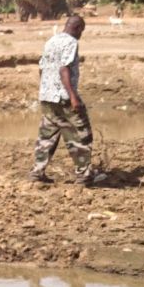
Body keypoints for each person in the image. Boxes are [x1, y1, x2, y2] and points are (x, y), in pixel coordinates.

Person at [28, 15, 104, 185]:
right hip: (63, 96)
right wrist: (73, 96)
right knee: (80, 133)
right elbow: (64, 69)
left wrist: (46, 89)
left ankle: (37, 172)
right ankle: (84, 175)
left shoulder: (51, 41)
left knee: (47, 134)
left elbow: (42, 68)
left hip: (47, 97)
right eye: (81, 31)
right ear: (77, 28)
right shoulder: (71, 42)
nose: (80, 35)